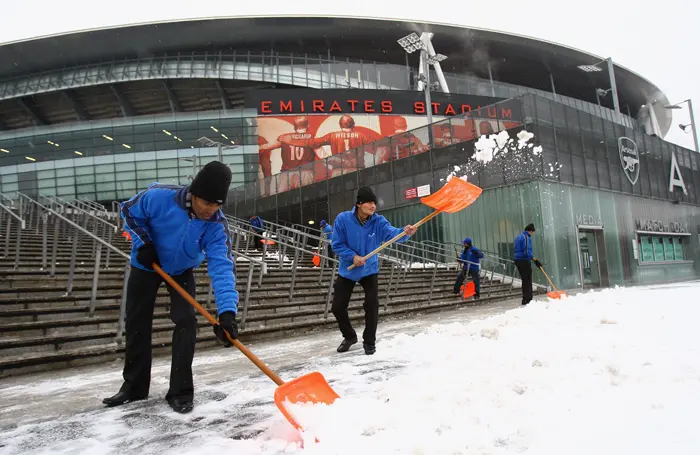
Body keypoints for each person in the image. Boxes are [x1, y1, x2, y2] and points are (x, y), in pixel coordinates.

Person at [102, 161, 239, 414]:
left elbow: (222, 268)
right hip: (147, 264)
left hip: (181, 270)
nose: (211, 210)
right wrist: (144, 243)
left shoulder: (216, 226)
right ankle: (133, 387)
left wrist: (227, 313)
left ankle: (180, 391)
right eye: (207, 203)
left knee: (186, 320)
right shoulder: (158, 196)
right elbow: (128, 211)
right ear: (194, 194)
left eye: (217, 204)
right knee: (137, 321)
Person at [331, 187, 417, 355]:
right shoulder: (343, 219)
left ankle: (369, 341)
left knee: (372, 304)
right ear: (359, 204)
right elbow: (336, 244)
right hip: (348, 270)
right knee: (337, 307)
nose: (373, 206)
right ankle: (349, 336)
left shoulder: (378, 221)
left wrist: (404, 233)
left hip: (369, 269)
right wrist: (353, 256)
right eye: (369, 202)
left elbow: (392, 234)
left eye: (374, 203)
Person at [513, 223, 541, 306]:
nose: (532, 234)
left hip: (518, 260)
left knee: (525, 279)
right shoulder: (526, 237)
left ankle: (526, 298)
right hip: (524, 260)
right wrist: (534, 259)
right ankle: (528, 298)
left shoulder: (519, 237)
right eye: (532, 232)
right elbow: (526, 251)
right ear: (530, 231)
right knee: (528, 279)